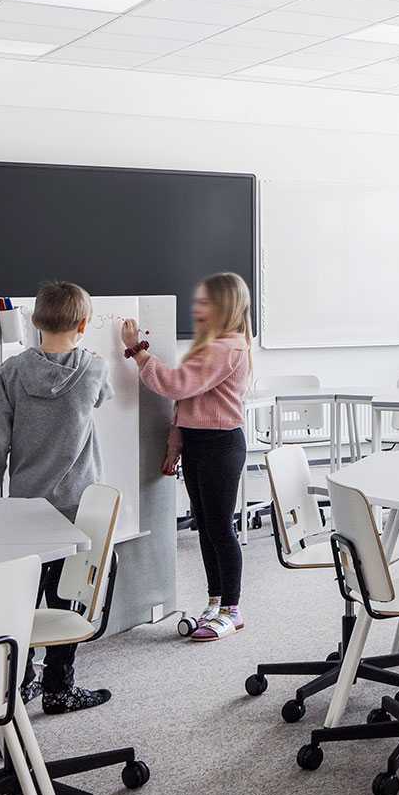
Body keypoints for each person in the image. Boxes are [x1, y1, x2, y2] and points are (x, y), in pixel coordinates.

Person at [0, 280, 113, 714]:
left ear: (35, 320)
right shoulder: (93, 368)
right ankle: (61, 686)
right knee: (67, 596)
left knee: (24, 595)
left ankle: (20, 681)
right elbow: (104, 401)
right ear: (84, 323)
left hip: (25, 507)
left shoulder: (13, 371)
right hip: (77, 505)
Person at [124, 271, 253, 642]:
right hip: (199, 443)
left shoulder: (226, 348)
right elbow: (188, 402)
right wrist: (175, 445)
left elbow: (175, 385)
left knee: (220, 529)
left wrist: (137, 351)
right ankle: (215, 601)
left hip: (220, 445)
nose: (197, 308)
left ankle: (232, 609)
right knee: (207, 528)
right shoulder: (210, 346)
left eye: (205, 302)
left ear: (225, 306)